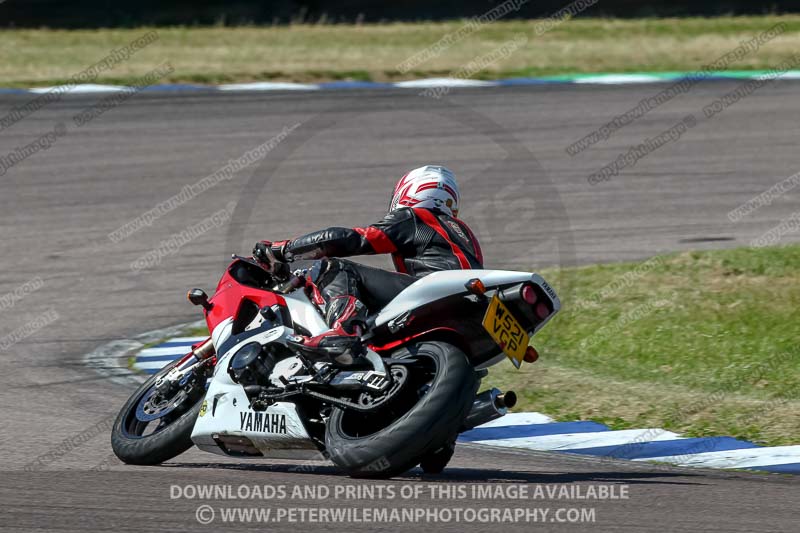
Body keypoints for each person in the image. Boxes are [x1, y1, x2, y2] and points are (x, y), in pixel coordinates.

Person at [253, 165, 483, 364]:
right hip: (469, 313)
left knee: (334, 268)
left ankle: (343, 331)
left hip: (435, 296)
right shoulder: (464, 234)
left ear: (408, 192)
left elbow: (353, 240)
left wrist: (283, 249)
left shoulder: (416, 216)